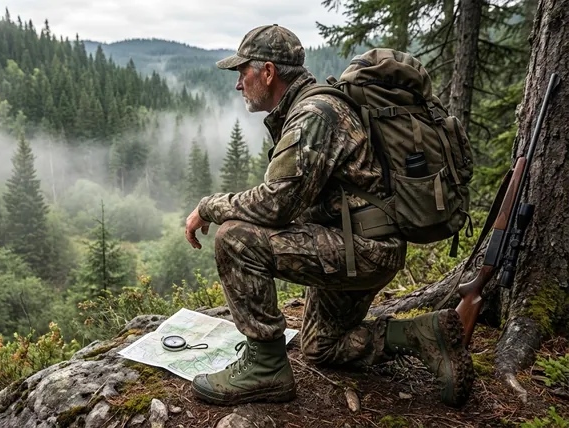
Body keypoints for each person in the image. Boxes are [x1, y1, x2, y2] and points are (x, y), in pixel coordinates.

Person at [183, 24, 474, 408]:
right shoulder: (315, 107)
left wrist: (209, 206)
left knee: (235, 238)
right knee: (323, 345)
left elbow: (275, 205)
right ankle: (423, 334)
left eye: (243, 72)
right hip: (364, 244)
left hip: (362, 250)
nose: (239, 84)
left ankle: (266, 368)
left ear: (268, 72)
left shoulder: (313, 115)